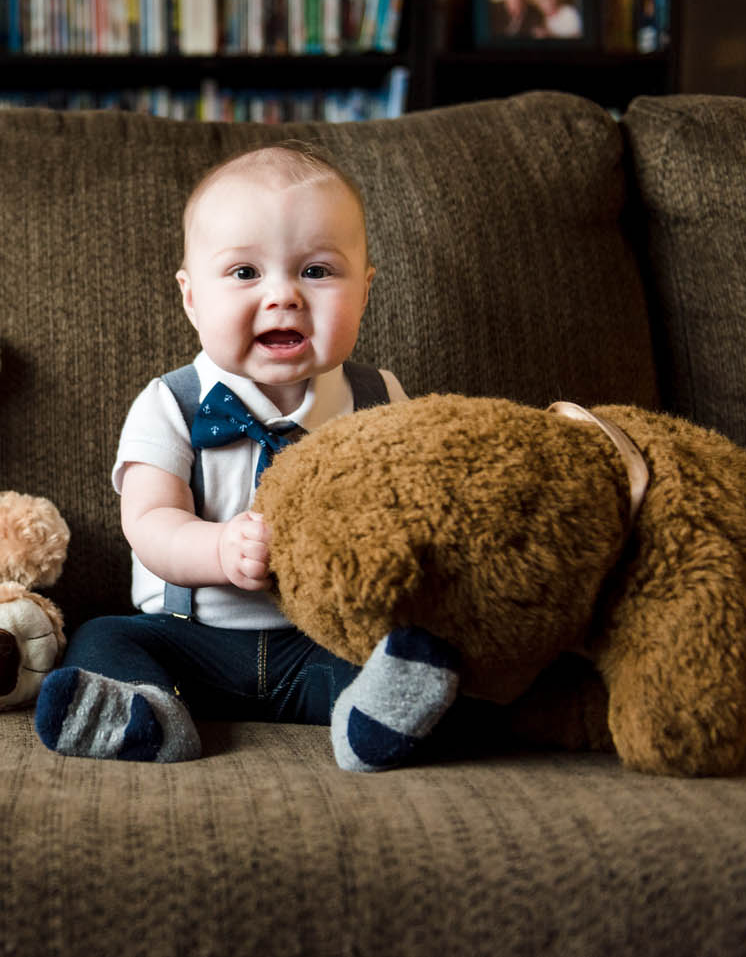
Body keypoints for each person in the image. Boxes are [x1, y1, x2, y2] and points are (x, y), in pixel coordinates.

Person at [34, 142, 460, 769]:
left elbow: (413, 513)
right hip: (189, 645)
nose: (284, 295)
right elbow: (148, 523)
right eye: (244, 273)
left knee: (408, 649)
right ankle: (148, 712)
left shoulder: (379, 398)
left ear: (365, 291)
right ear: (191, 298)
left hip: (315, 642)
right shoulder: (169, 403)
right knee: (102, 636)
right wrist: (217, 549)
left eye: (317, 271)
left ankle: (374, 718)